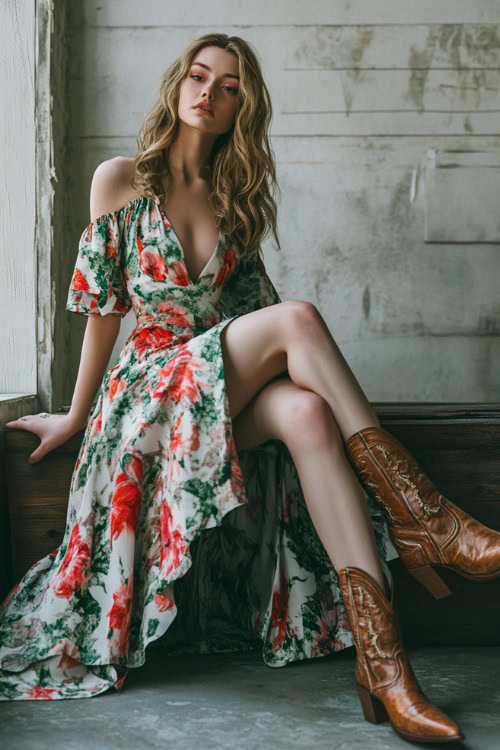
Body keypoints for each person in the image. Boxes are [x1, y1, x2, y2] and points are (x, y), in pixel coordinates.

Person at [1, 32, 499, 743]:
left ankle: (386, 668)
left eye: (229, 86)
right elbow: (104, 314)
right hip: (147, 394)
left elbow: (252, 326)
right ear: (178, 86)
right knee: (296, 319)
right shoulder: (121, 180)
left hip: (208, 388)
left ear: (243, 109)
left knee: (305, 413)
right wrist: (75, 415)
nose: (210, 92)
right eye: (200, 76)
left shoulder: (234, 202)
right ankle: (426, 521)